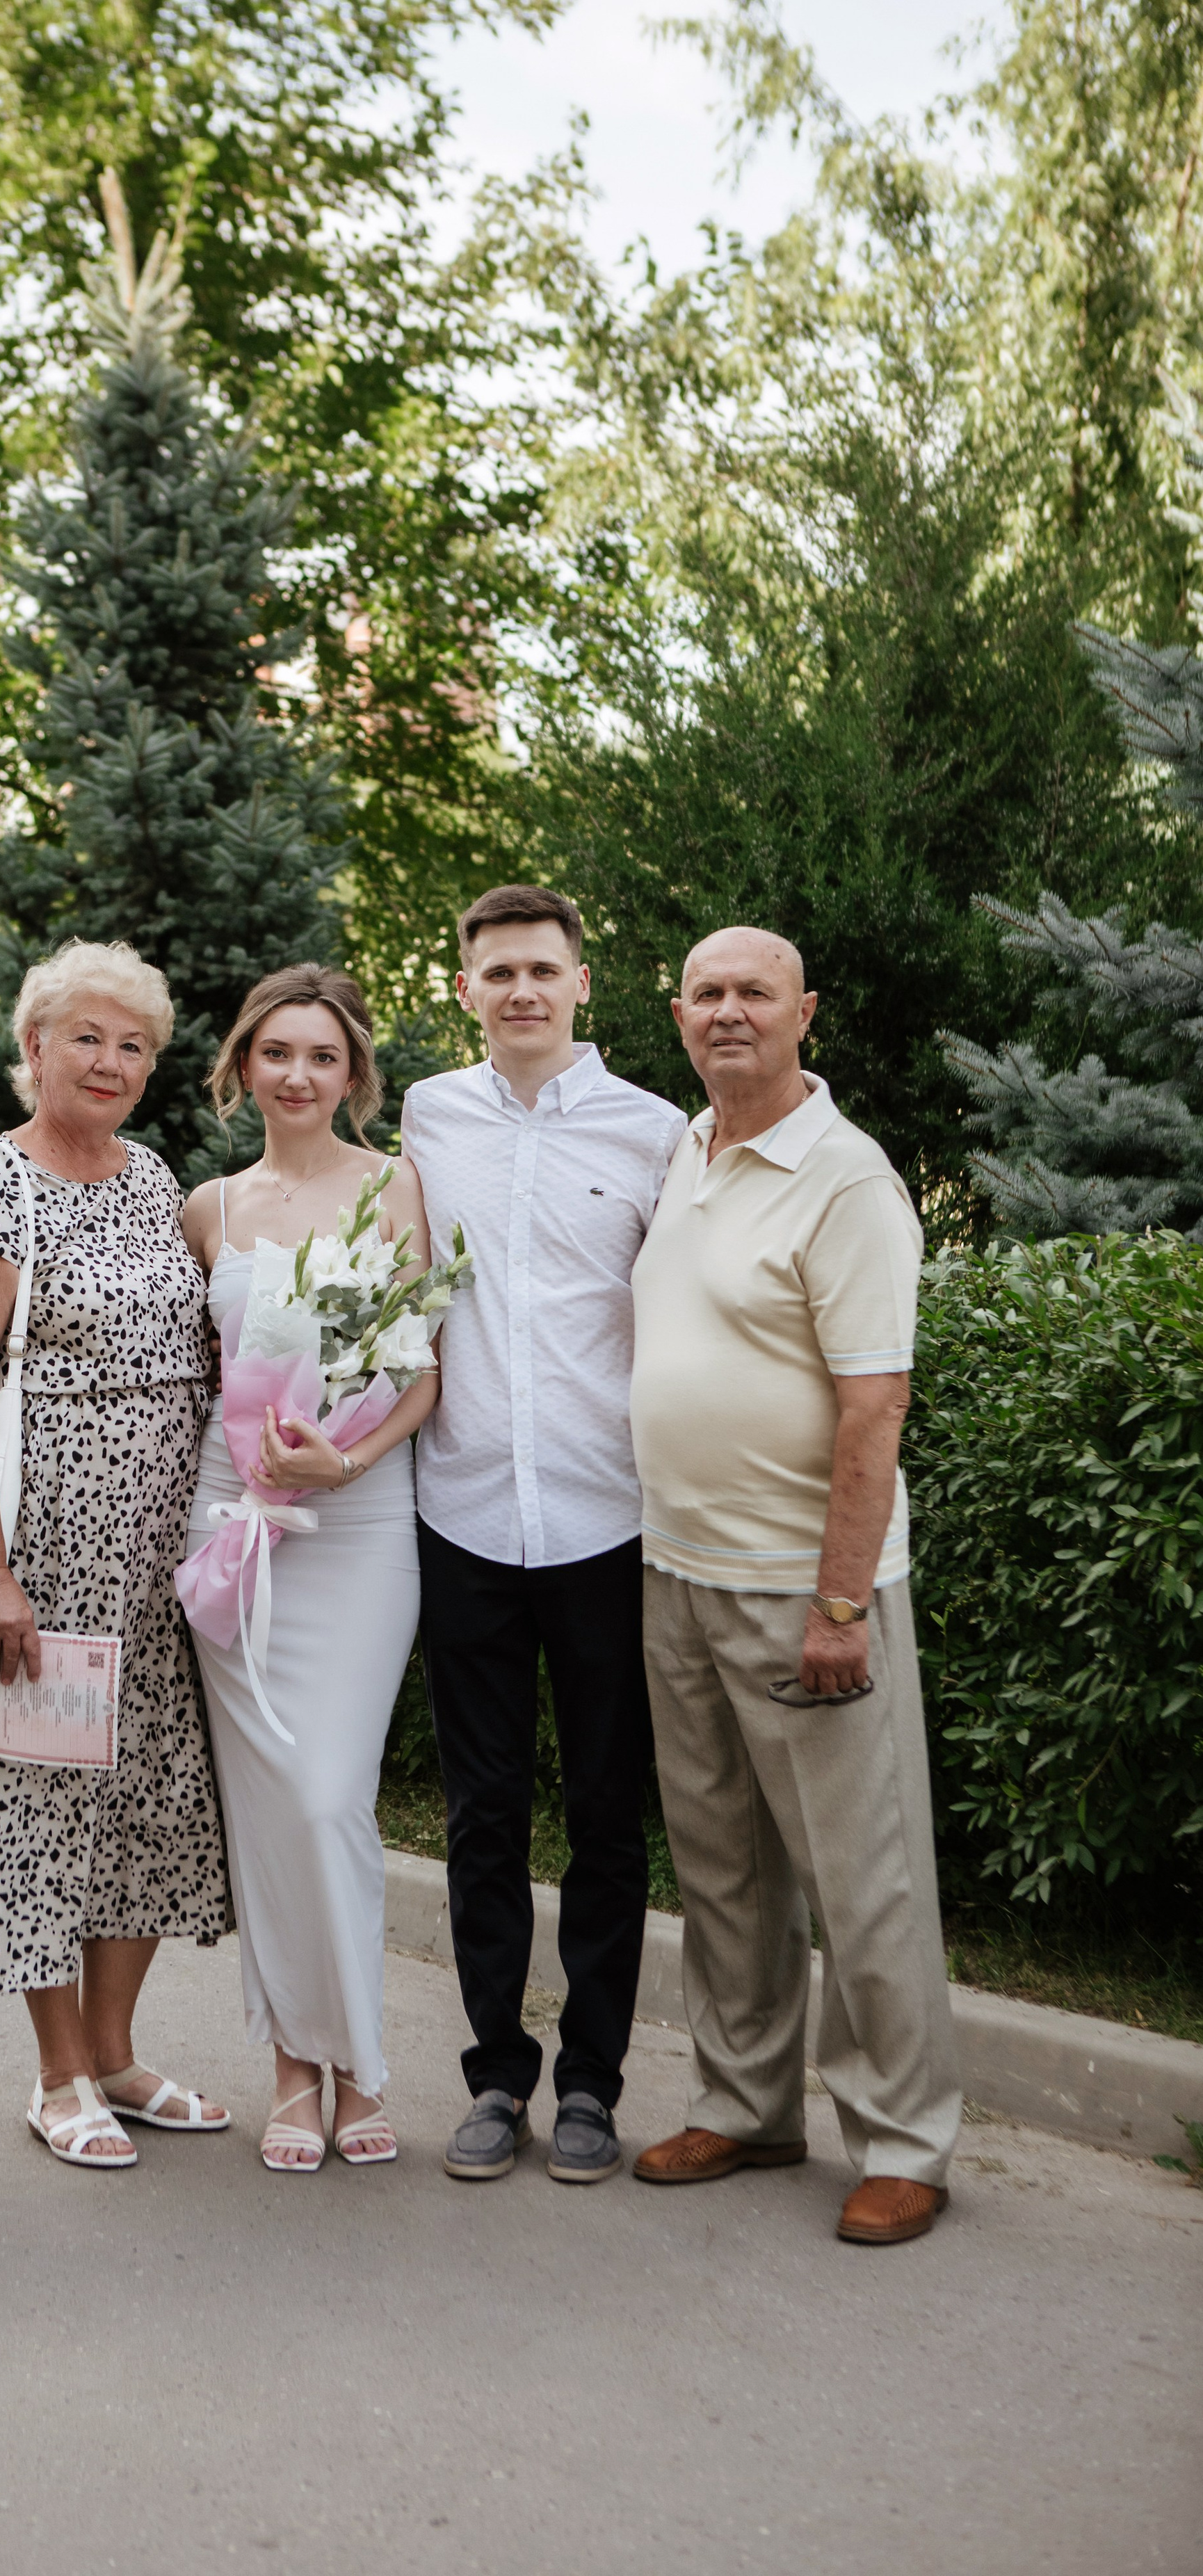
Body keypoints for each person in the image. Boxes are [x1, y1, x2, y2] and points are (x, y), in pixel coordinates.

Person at [627, 926, 961, 2246]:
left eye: (753, 993)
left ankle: (905, 2138)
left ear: (804, 1013)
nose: (728, 1013)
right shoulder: (687, 1154)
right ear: (677, 1014)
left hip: (802, 1589)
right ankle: (747, 2102)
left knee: (861, 1876)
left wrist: (839, 1605)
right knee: (724, 1870)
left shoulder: (846, 1179)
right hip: (679, 1571)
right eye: (706, 993)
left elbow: (874, 1408)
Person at [0, 937, 231, 2170]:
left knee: (151, 1798)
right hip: (47, 1547)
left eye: (133, 1044)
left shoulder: (153, 1178)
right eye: (86, 1036)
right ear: (34, 1045)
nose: (109, 1061)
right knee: (46, 1795)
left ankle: (115, 2054)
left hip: (166, 1559)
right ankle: (55, 2077)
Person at [401, 886, 686, 2184]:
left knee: (609, 1815)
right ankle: (495, 2073)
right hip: (460, 1514)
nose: (520, 989)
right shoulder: (428, 1116)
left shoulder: (656, 1133)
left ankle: (592, 2083)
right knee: (484, 1814)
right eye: (497, 971)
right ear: (467, 990)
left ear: (583, 982)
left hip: (605, 1519)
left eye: (542, 969)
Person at [181, 967, 435, 2171]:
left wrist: (349, 1455)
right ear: (242, 1067)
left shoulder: (394, 1189)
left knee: (333, 1793)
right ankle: (294, 2065)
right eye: (275, 1053)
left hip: (359, 1524)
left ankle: (359, 2062)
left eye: (322, 1057)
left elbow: (422, 1373)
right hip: (235, 1530)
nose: (297, 1074)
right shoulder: (209, 1210)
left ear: (353, 1075)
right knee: (270, 1805)